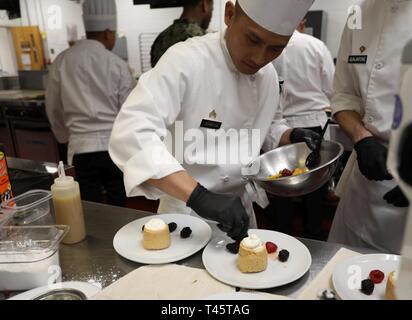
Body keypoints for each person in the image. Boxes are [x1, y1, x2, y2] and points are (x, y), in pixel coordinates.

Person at [109, 0, 317, 241]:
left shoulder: (268, 75)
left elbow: (264, 126)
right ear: (229, 14)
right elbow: (132, 131)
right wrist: (198, 196)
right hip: (185, 213)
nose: (260, 57)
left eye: (275, 49)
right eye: (253, 40)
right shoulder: (185, 60)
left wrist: (290, 135)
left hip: (239, 212)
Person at [328, 0, 411, 253]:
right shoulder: (359, 13)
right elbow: (343, 95)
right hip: (365, 182)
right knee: (340, 275)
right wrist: (362, 138)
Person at [46, 0, 135, 207]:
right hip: (114, 148)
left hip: (80, 148)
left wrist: (65, 137)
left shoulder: (62, 61)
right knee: (118, 205)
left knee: (89, 207)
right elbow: (129, 110)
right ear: (107, 32)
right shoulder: (117, 64)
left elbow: (53, 108)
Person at [269, 19, 335, 240]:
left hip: (281, 126)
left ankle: (281, 234)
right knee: (315, 187)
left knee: (281, 185)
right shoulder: (315, 45)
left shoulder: (271, 46)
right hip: (313, 124)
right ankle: (314, 232)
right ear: (303, 22)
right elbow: (333, 89)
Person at [150, 0, 214, 67]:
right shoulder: (200, 39)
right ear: (204, 5)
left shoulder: (161, 38)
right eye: (211, 10)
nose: (211, 15)